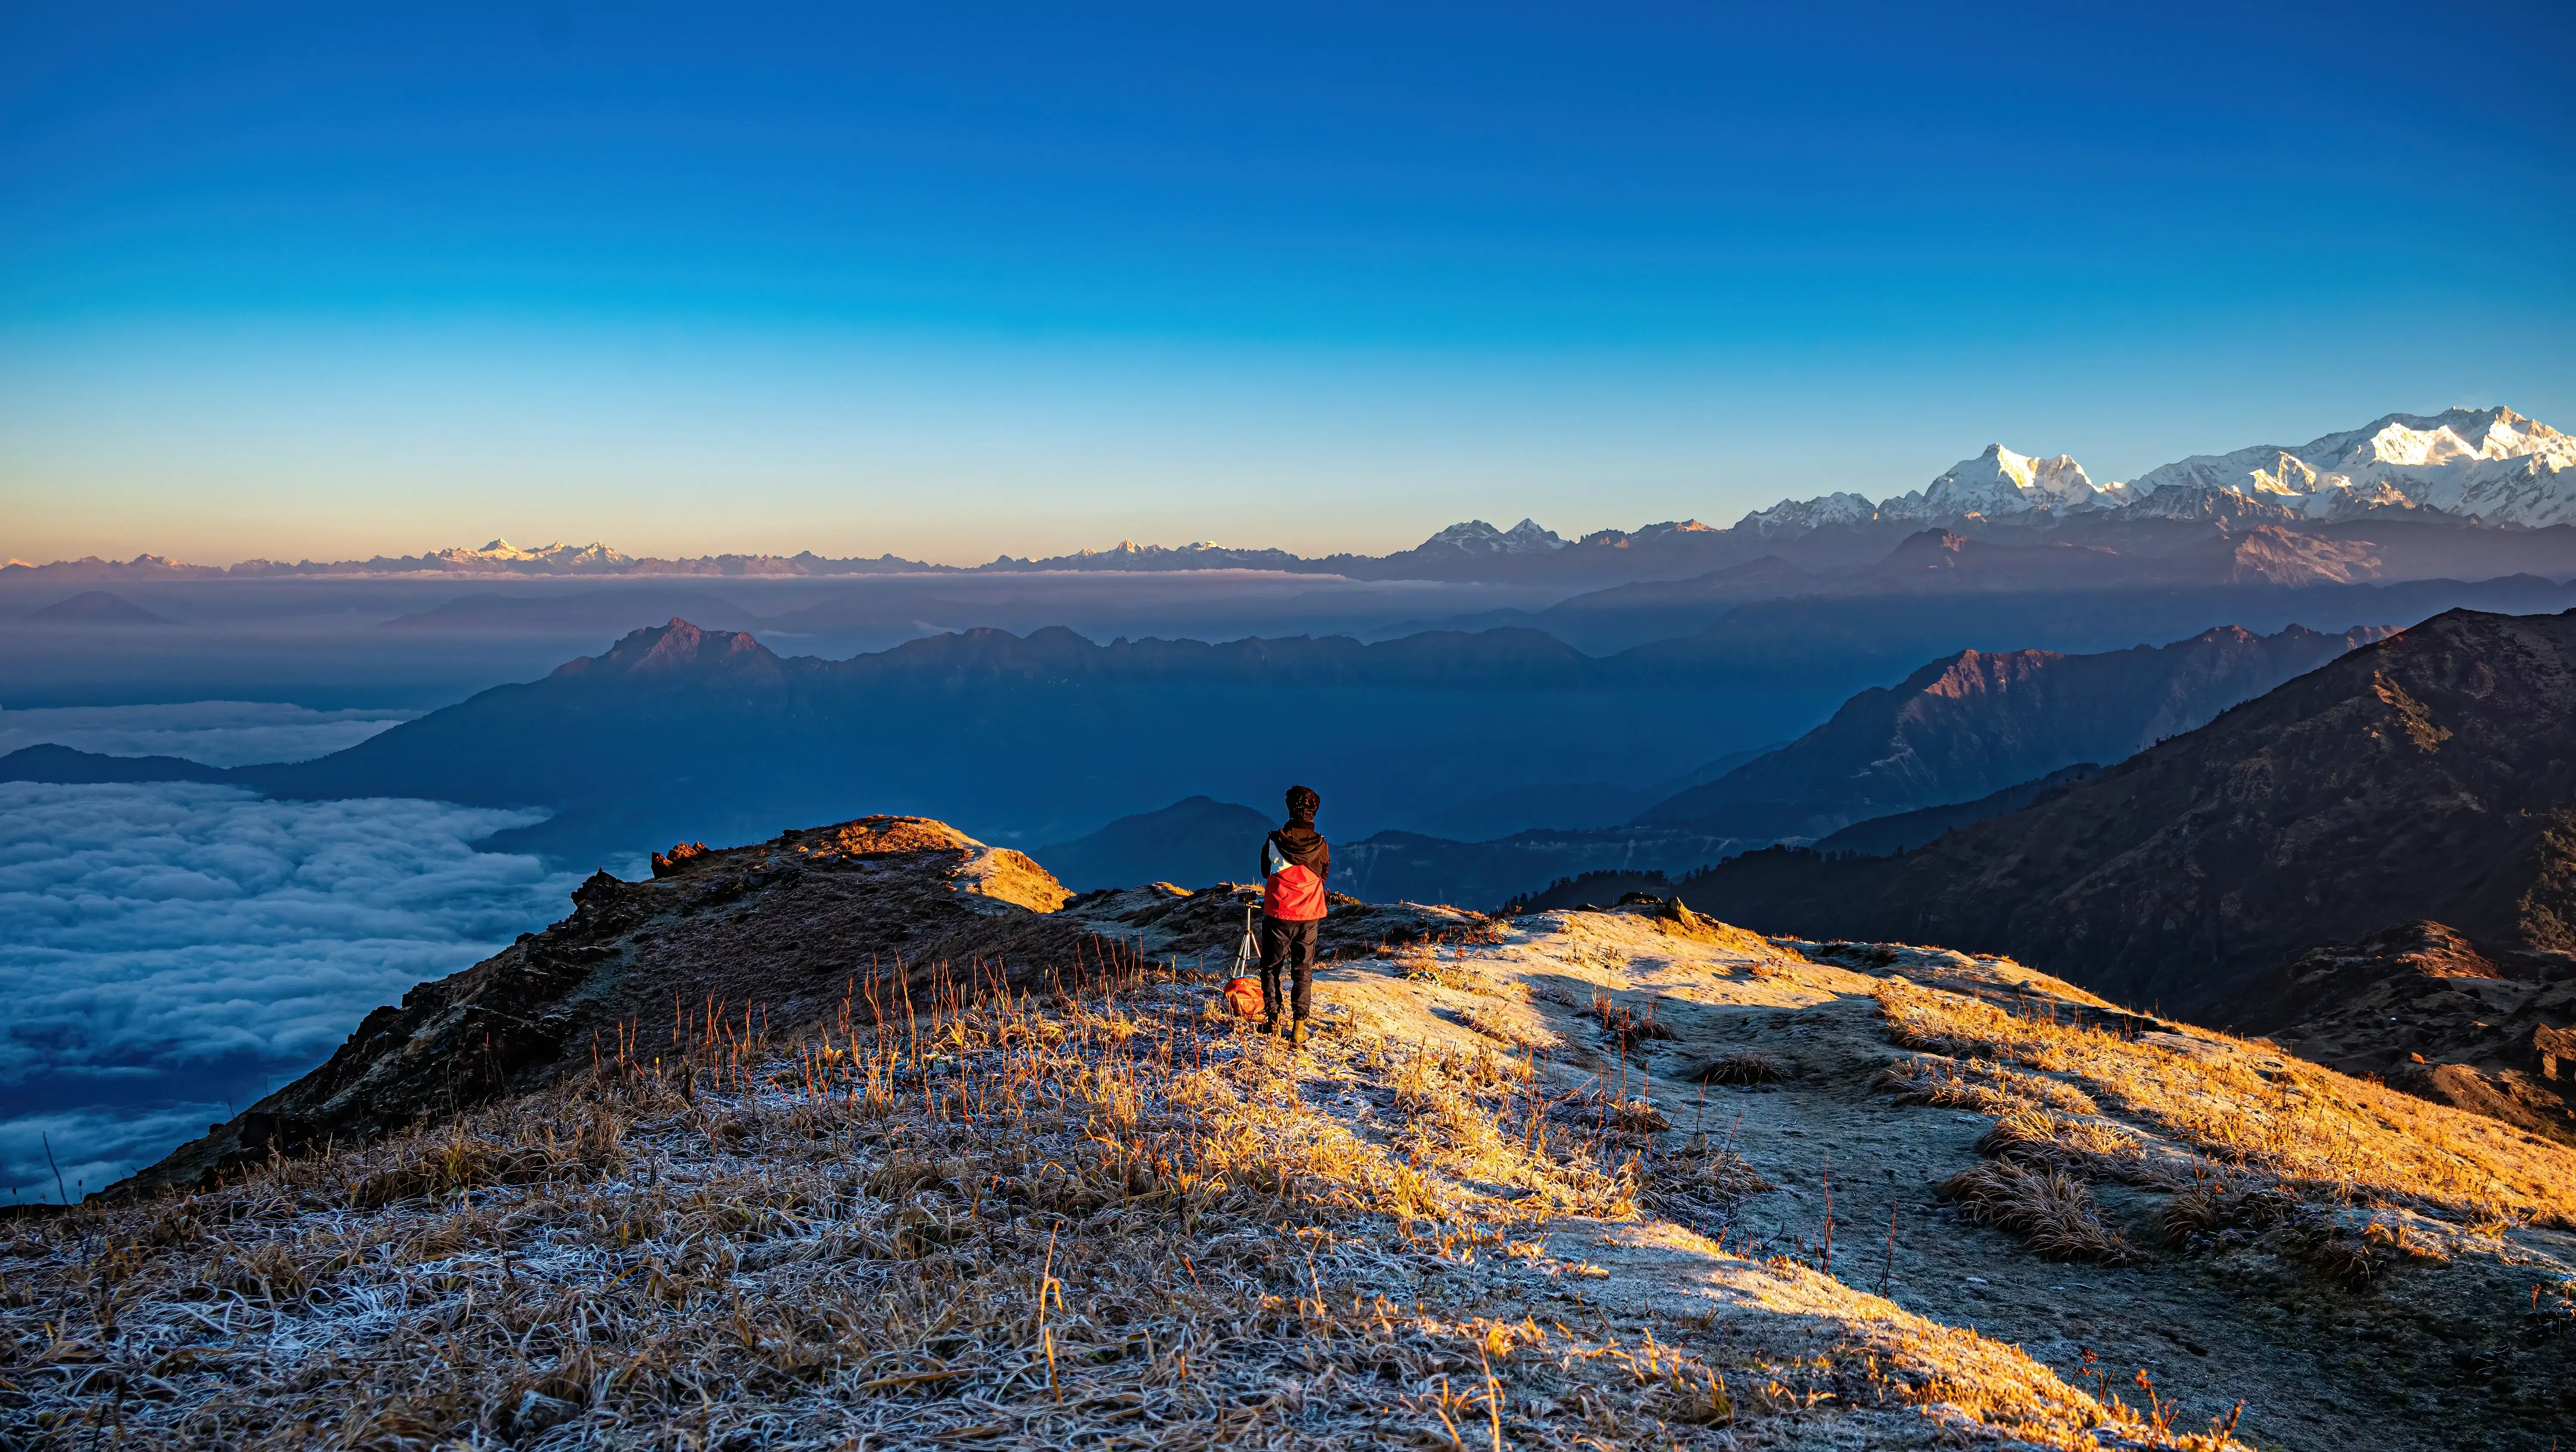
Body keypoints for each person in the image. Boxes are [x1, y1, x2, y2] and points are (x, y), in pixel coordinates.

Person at [1257, 784, 1330, 1043]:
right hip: (1310, 915)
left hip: (1278, 912)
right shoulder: (1322, 845)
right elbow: (1323, 876)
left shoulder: (1274, 840)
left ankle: (1273, 1020)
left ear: (1289, 808)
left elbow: (1266, 872)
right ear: (1314, 812)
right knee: (1303, 969)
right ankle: (1299, 1027)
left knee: (1271, 967)